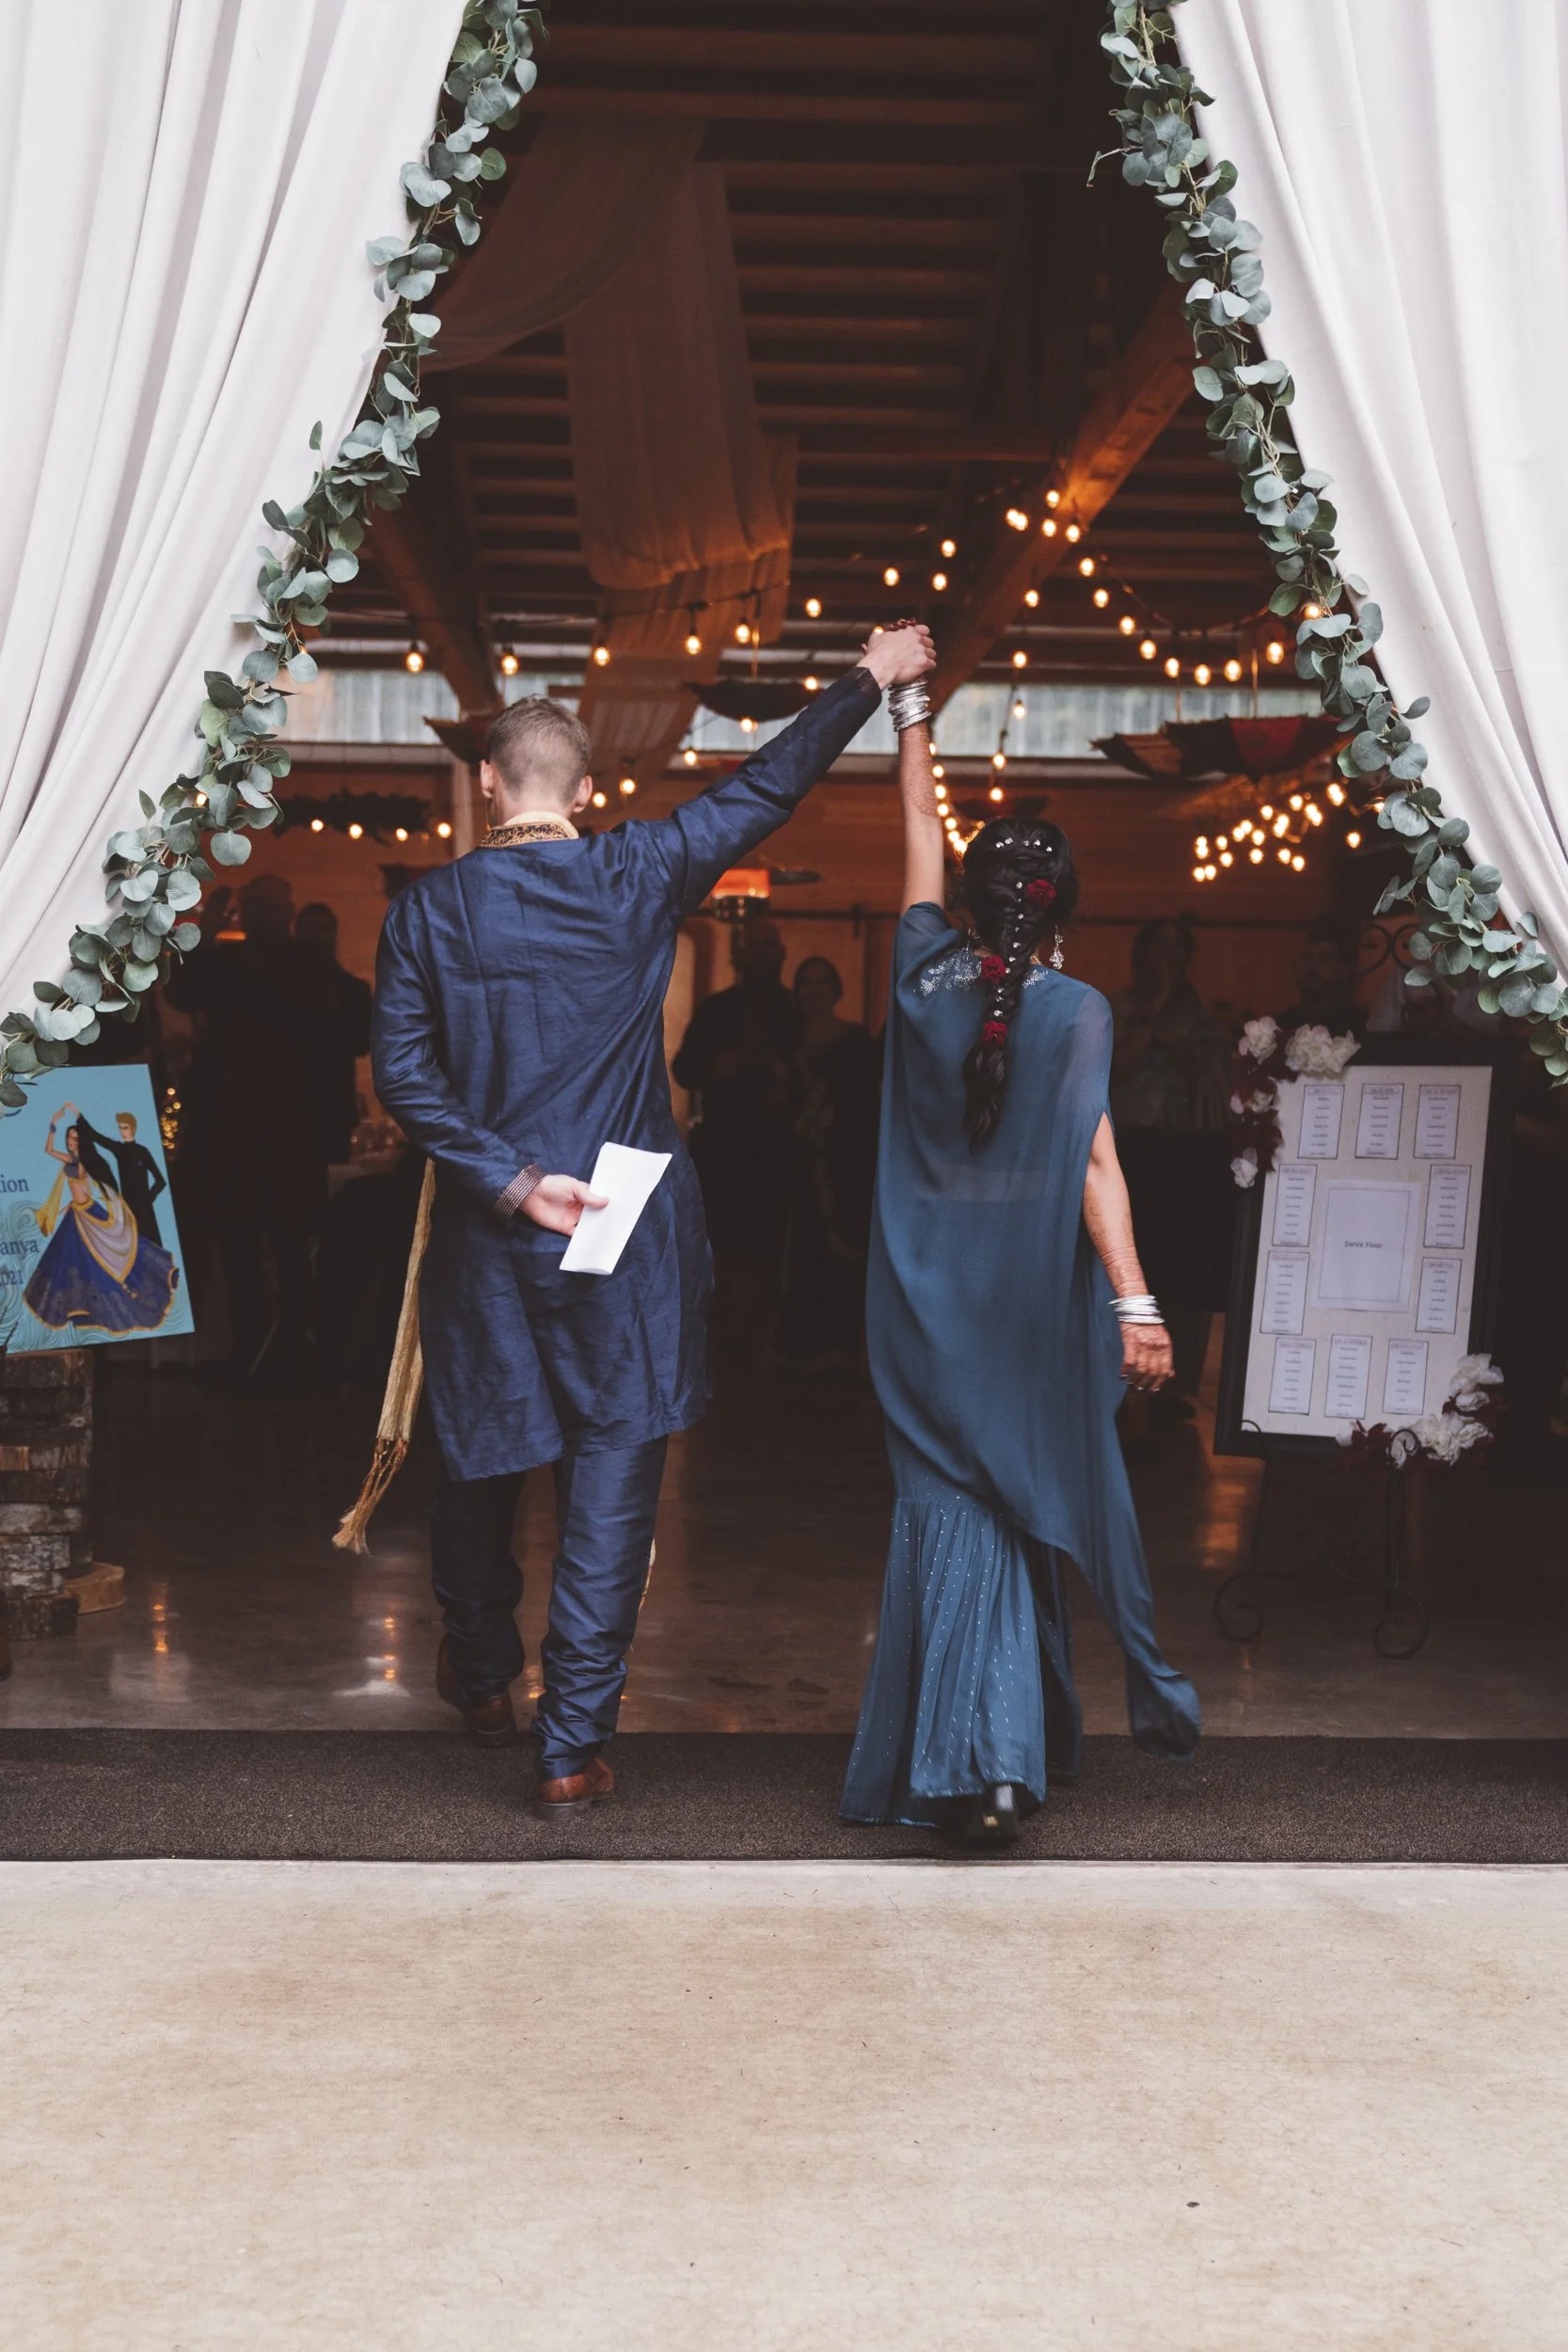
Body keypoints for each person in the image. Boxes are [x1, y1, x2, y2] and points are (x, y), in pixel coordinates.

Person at [371, 627, 935, 1815]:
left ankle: (482, 1676)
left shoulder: (426, 913)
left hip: (490, 1225)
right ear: (584, 791)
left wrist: (515, 1180)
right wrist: (868, 679)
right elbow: (769, 784)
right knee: (612, 1464)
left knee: (479, 1460)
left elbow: (408, 1084)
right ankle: (569, 1743)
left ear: (485, 783)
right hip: (619, 1219)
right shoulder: (637, 869)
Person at [842, 687, 1200, 1847]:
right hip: (1025, 1309)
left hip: (915, 1299)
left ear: (967, 897)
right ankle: (994, 1760)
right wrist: (1135, 1302)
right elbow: (1094, 1160)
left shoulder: (911, 975)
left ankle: (991, 1751)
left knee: (951, 1514)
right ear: (1065, 917)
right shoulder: (1079, 1010)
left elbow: (913, 830)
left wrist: (907, 715)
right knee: (1005, 1510)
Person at [166, 873, 331, 1379]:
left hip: (274, 1127)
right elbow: (181, 994)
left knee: (281, 1245)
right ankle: (263, 1353)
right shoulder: (255, 963)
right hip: (251, 1128)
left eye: (270, 909)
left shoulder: (303, 966)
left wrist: (212, 933)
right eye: (259, 909)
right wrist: (209, 933)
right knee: (249, 1244)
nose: (266, 919)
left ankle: (284, 1354)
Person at [1108, 918, 1230, 1419]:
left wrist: (1176, 1037)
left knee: (1181, 1262)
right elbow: (1114, 1068)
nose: (1165, 960)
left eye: (1175, 951)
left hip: (1184, 1147)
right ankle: (1117, 1378)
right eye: (1156, 949)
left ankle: (1175, 1384)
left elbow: (1210, 1079)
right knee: (1128, 1256)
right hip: (1126, 1146)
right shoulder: (1113, 1008)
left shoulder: (1201, 1017)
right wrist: (1151, 1014)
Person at [672, 914, 801, 1362]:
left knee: (772, 1240)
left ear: (782, 953)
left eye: (770, 945)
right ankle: (721, 1335)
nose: (763, 954)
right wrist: (716, 1070)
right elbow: (683, 1070)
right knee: (721, 1240)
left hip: (781, 1148)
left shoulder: (798, 1011)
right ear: (741, 955)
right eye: (756, 946)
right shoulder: (716, 1011)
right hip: (722, 1149)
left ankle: (766, 1335)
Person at [776, 956, 880, 1366]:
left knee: (837, 1255)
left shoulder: (853, 1040)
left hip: (840, 1166)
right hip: (790, 1162)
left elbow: (862, 1106)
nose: (814, 990)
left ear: (836, 990)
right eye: (805, 983)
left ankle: (840, 1347)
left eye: (822, 982)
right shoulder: (785, 1042)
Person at [24, 1106, 179, 1334]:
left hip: (88, 1212)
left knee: (102, 1256)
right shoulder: (70, 1159)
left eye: (76, 1138)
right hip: (76, 1212)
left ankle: (143, 1279)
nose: (71, 1142)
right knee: (68, 1260)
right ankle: (81, 1306)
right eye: (69, 1138)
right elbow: (48, 1150)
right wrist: (53, 1124)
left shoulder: (86, 1162)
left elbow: (86, 1187)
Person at [295, 902, 374, 1164]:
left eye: (324, 929)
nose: (318, 937)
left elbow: (362, 1042)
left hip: (331, 1109)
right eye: (310, 929)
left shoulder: (353, 991)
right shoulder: (276, 986)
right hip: (285, 1108)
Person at [74, 1107, 167, 1246]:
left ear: (133, 1128)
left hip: (144, 1208)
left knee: (151, 1243)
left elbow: (160, 1181)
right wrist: (78, 1114)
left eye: (125, 1127)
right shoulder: (119, 1149)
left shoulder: (142, 1152)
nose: (123, 1131)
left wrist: (148, 1199)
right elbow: (95, 1136)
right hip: (127, 1206)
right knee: (133, 1244)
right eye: (120, 1128)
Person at [1277, 921, 1367, 1040]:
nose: (1313, 966)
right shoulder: (1284, 1025)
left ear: (1342, 970)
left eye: (1325, 959)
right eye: (1308, 958)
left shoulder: (1358, 1026)